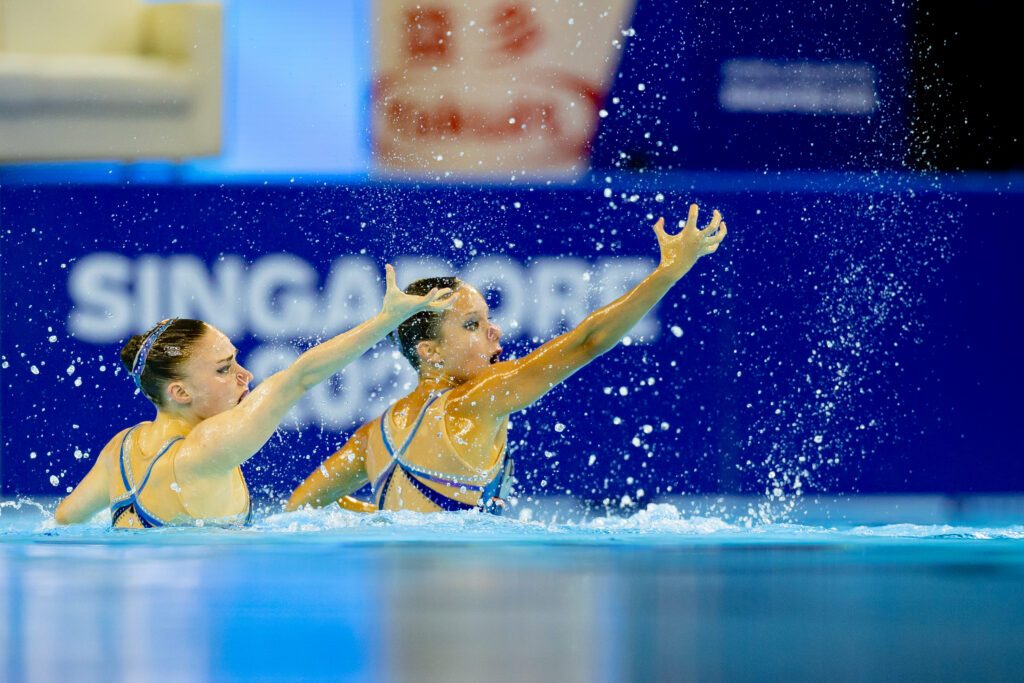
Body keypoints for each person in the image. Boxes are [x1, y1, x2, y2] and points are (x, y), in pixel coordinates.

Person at [287, 204, 727, 514]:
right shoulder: (474, 401)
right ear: (430, 352)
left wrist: (375, 517)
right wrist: (669, 270)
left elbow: (298, 508)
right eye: (473, 325)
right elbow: (586, 342)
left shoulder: (374, 436)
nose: (495, 331)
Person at [54, 265, 452, 528]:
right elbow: (298, 378)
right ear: (180, 392)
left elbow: (65, 520)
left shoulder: (121, 449)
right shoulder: (203, 450)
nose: (245, 375)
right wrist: (386, 321)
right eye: (224, 368)